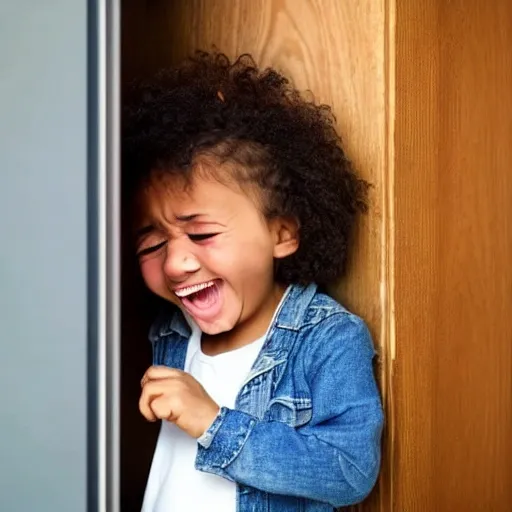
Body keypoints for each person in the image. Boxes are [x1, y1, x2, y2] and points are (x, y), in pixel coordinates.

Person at [122, 51, 384, 512]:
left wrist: (214, 424)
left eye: (201, 233)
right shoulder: (168, 331)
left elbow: (349, 470)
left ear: (282, 233)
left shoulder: (327, 339)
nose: (175, 263)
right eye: (151, 245)